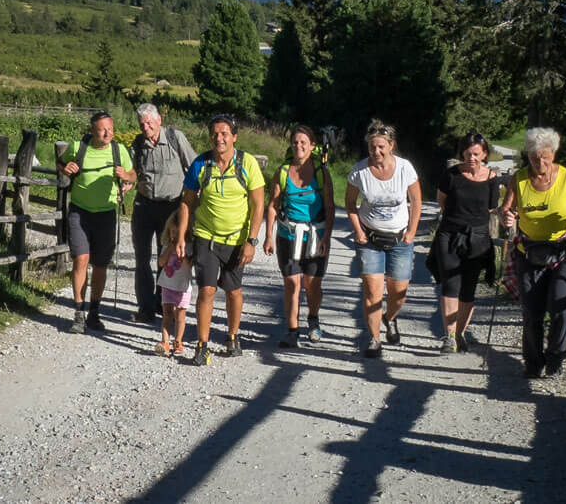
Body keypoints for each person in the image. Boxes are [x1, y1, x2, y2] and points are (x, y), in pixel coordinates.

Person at [498, 126, 566, 378]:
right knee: (532, 312)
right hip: (529, 251)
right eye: (534, 157)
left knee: (562, 306)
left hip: (565, 250)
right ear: (528, 156)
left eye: (545, 156)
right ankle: (533, 362)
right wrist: (507, 217)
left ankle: (556, 356)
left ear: (553, 153)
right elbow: (505, 210)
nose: (540, 162)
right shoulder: (519, 179)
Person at [175, 114, 266, 365]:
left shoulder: (247, 164)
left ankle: (233, 335)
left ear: (234, 137)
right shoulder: (201, 164)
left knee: (233, 291)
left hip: (236, 239)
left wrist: (252, 241)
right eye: (215, 133)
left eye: (225, 133)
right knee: (206, 290)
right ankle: (202, 345)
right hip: (206, 237)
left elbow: (258, 204)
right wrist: (182, 236)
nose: (219, 138)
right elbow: (187, 202)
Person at [345, 119, 422, 359]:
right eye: (372, 147)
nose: (376, 152)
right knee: (372, 292)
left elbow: (417, 201)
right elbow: (349, 203)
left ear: (391, 146)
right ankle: (374, 339)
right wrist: (358, 230)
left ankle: (390, 318)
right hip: (370, 238)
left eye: (380, 147)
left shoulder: (405, 168)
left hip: (399, 238)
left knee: (399, 292)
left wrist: (411, 231)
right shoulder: (359, 171)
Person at [427, 132, 502, 352]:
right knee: (451, 283)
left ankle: (460, 332)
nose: (472, 158)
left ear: (485, 154)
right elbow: (442, 200)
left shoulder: (491, 179)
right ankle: (449, 336)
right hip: (449, 235)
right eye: (468, 154)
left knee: (468, 289)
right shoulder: (451, 174)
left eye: (476, 154)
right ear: (462, 154)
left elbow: (491, 207)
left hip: (477, 237)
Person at [62, 111, 136, 334]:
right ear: (92, 130)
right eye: (103, 129)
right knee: (81, 259)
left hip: (106, 214)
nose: (108, 133)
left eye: (111, 129)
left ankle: (94, 312)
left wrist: (126, 177)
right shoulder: (78, 148)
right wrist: (65, 169)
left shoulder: (119, 150)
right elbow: (61, 163)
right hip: (79, 212)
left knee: (101, 264)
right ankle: (78, 312)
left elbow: (133, 175)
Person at [264, 125, 336, 348]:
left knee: (312, 285)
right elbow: (273, 205)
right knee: (292, 285)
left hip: (316, 236)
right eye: (295, 142)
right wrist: (268, 235)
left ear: (312, 146)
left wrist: (327, 237)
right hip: (288, 236)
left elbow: (330, 207)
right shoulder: (283, 172)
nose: (299, 146)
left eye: (303, 142)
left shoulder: (321, 173)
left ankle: (313, 319)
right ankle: (292, 330)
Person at [129, 103, 199, 325]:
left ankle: (163, 303)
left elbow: (195, 166)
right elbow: (132, 171)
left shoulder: (175, 138)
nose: (146, 127)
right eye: (142, 124)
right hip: (143, 206)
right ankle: (145, 309)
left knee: (167, 257)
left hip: (171, 208)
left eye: (149, 122)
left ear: (159, 120)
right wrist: (125, 181)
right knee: (141, 258)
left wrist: (193, 200)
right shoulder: (138, 144)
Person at [155, 212, 193, 357]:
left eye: (179, 233)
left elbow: (189, 266)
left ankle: (178, 341)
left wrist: (181, 254)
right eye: (173, 232)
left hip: (183, 287)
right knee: (167, 315)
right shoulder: (167, 245)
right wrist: (170, 248)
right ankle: (165, 341)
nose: (175, 236)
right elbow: (161, 262)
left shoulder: (188, 246)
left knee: (180, 316)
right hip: (167, 284)